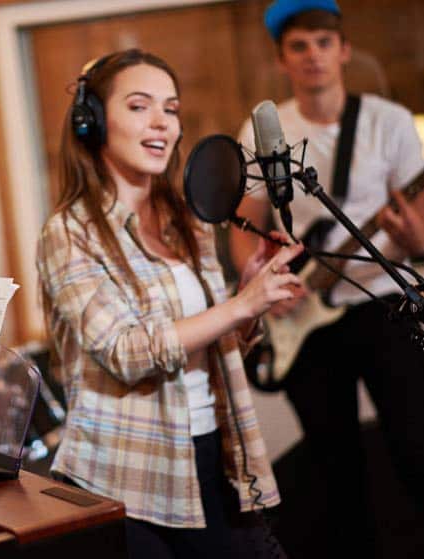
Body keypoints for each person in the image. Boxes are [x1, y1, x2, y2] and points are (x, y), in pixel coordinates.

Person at [37, 48, 302, 559]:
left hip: (213, 454)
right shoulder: (67, 234)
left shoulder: (189, 220)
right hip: (126, 477)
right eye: (139, 106)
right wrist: (239, 305)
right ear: (93, 123)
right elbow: (127, 353)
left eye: (172, 108)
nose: (161, 122)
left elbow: (216, 347)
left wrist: (248, 296)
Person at [229, 1, 424, 556]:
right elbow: (245, 223)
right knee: (334, 465)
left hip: (385, 303)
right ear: (281, 59)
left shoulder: (387, 121)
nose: (313, 55)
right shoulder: (264, 129)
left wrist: (410, 236)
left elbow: (421, 239)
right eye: (299, 46)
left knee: (415, 447)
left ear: (343, 50)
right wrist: (260, 284)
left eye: (322, 42)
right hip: (306, 318)